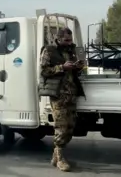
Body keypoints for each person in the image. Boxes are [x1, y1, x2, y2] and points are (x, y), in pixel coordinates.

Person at [38, 27, 85, 172]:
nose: (69, 42)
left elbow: (76, 70)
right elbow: (44, 70)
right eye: (66, 40)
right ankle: (60, 158)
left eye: (70, 40)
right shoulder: (49, 50)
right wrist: (61, 67)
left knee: (70, 127)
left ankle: (56, 156)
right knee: (61, 127)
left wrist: (78, 66)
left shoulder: (71, 51)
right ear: (58, 39)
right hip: (59, 95)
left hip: (71, 93)